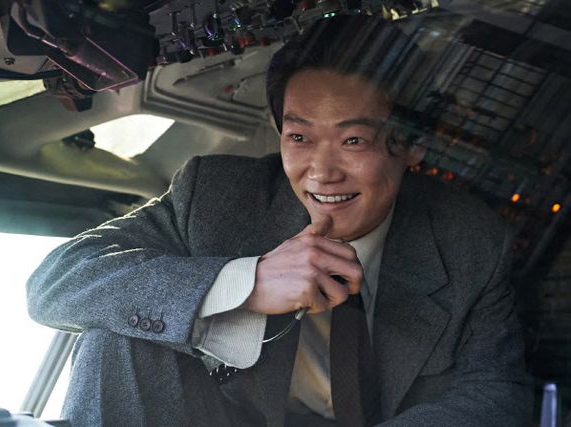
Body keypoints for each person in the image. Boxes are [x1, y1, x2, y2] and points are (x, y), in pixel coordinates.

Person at [27, 15, 532, 427]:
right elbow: (56, 283)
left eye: (353, 140)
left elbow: (495, 390)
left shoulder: (468, 239)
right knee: (117, 330)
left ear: (413, 145)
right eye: (300, 138)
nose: (322, 172)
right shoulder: (218, 195)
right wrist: (245, 283)